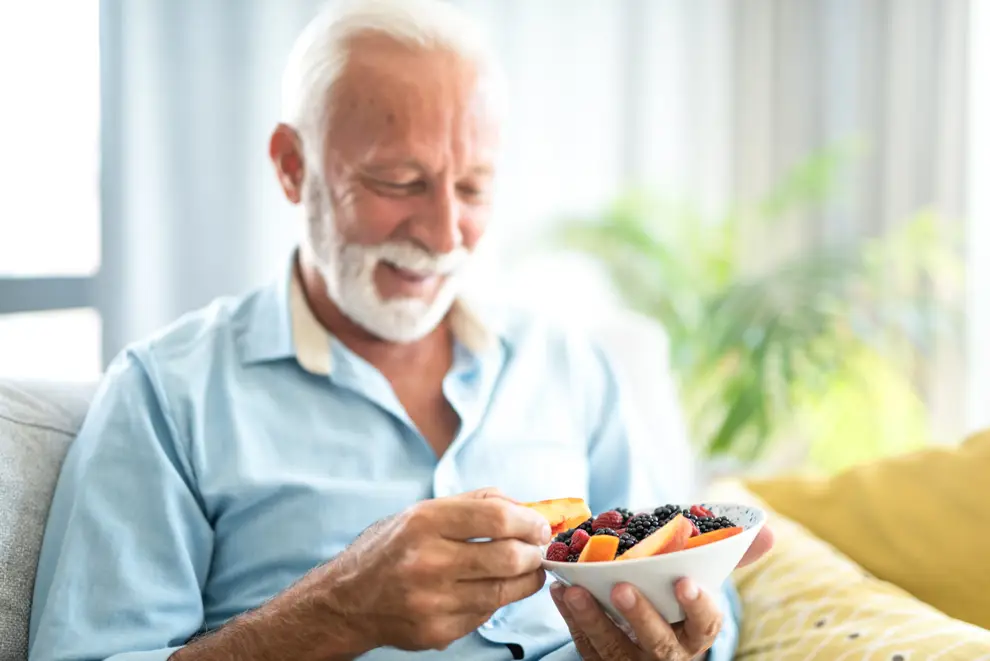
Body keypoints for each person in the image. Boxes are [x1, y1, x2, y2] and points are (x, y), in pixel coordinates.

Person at [28, 1, 772, 659]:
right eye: (399, 182)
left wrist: (681, 638)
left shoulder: (572, 366)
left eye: (473, 186)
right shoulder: (167, 394)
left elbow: (704, 614)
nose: (446, 231)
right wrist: (337, 610)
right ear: (293, 167)